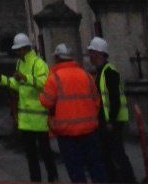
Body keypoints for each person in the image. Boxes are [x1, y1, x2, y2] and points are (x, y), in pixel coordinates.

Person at [41, 44, 106, 184]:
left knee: (76, 169)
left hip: (67, 132)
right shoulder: (86, 75)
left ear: (57, 58)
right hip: (89, 129)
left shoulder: (54, 78)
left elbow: (46, 102)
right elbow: (97, 101)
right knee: (95, 166)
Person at [0, 32, 59, 182]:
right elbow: (18, 85)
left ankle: (53, 178)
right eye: (16, 50)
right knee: (31, 154)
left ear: (27, 48)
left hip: (39, 118)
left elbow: (46, 83)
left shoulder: (39, 63)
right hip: (26, 119)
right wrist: (3, 80)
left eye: (20, 49)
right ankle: (36, 180)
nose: (17, 52)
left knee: (45, 152)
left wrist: (26, 77)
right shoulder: (20, 63)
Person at [86, 37, 135, 184]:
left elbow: (114, 99)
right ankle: (114, 178)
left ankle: (128, 179)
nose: (90, 56)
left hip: (112, 121)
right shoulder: (102, 71)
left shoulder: (109, 72)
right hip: (106, 121)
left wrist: (111, 121)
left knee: (116, 153)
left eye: (92, 52)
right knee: (108, 153)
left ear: (99, 53)